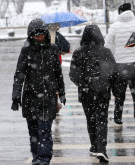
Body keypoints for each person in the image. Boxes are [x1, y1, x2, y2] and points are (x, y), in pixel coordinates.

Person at [11, 18, 66, 165]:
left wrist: (62, 92)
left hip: (48, 99)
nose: (39, 38)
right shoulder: (26, 50)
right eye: (36, 35)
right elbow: (19, 74)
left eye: (41, 35)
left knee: (45, 131)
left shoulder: (53, 49)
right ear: (30, 36)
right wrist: (15, 96)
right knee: (34, 133)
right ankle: (36, 157)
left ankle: (44, 159)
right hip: (30, 98)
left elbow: (58, 73)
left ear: (45, 34)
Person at [69, 25, 116, 163]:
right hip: (102, 90)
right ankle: (102, 148)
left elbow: (73, 74)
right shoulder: (105, 52)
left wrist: (84, 82)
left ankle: (94, 146)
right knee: (102, 118)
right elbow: (113, 71)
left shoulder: (78, 52)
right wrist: (110, 85)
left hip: (86, 91)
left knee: (90, 118)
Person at [104, 3, 135, 132]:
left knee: (119, 94)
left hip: (120, 65)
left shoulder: (115, 27)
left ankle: (118, 119)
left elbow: (107, 45)